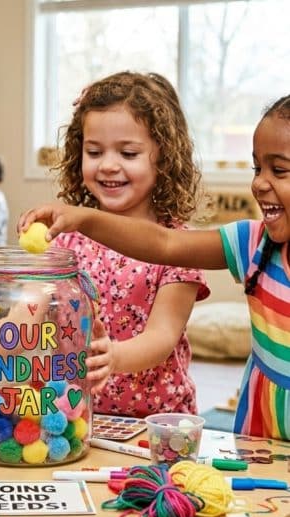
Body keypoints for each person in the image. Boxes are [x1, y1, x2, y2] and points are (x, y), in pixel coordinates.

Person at [20, 94, 290, 440]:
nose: (259, 183)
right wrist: (84, 218)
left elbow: (162, 334)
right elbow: (165, 245)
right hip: (261, 426)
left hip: (160, 417)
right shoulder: (251, 242)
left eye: (279, 170)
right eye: (257, 168)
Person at [14, 71, 211, 418]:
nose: (108, 165)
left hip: (156, 422)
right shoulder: (66, 242)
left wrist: (114, 357)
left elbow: (163, 337)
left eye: (128, 153)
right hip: (74, 415)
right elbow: (27, 315)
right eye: (94, 151)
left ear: (163, 157)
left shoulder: (180, 247)